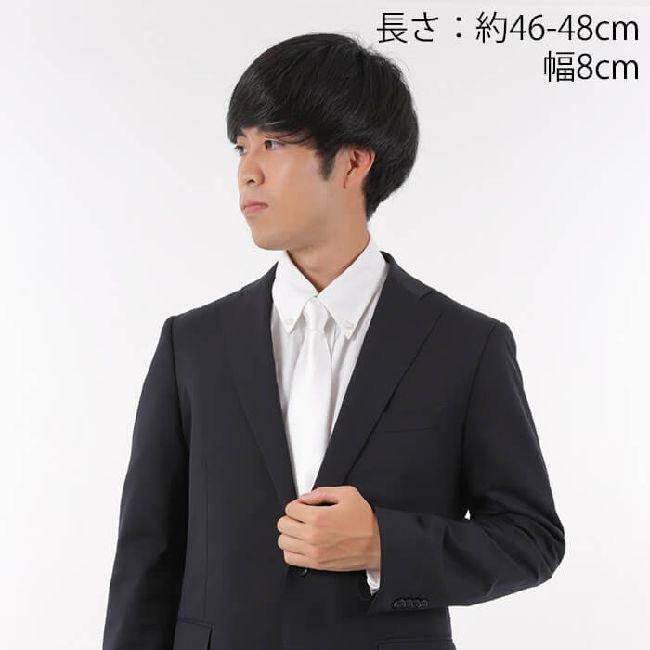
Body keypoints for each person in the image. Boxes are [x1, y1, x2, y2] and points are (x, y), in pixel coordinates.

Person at [102, 32, 565, 650]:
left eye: (273, 143)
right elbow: (148, 556)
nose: (247, 171)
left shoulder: (465, 345)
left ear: (352, 163)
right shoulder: (193, 344)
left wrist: (383, 544)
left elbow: (531, 538)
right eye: (241, 146)